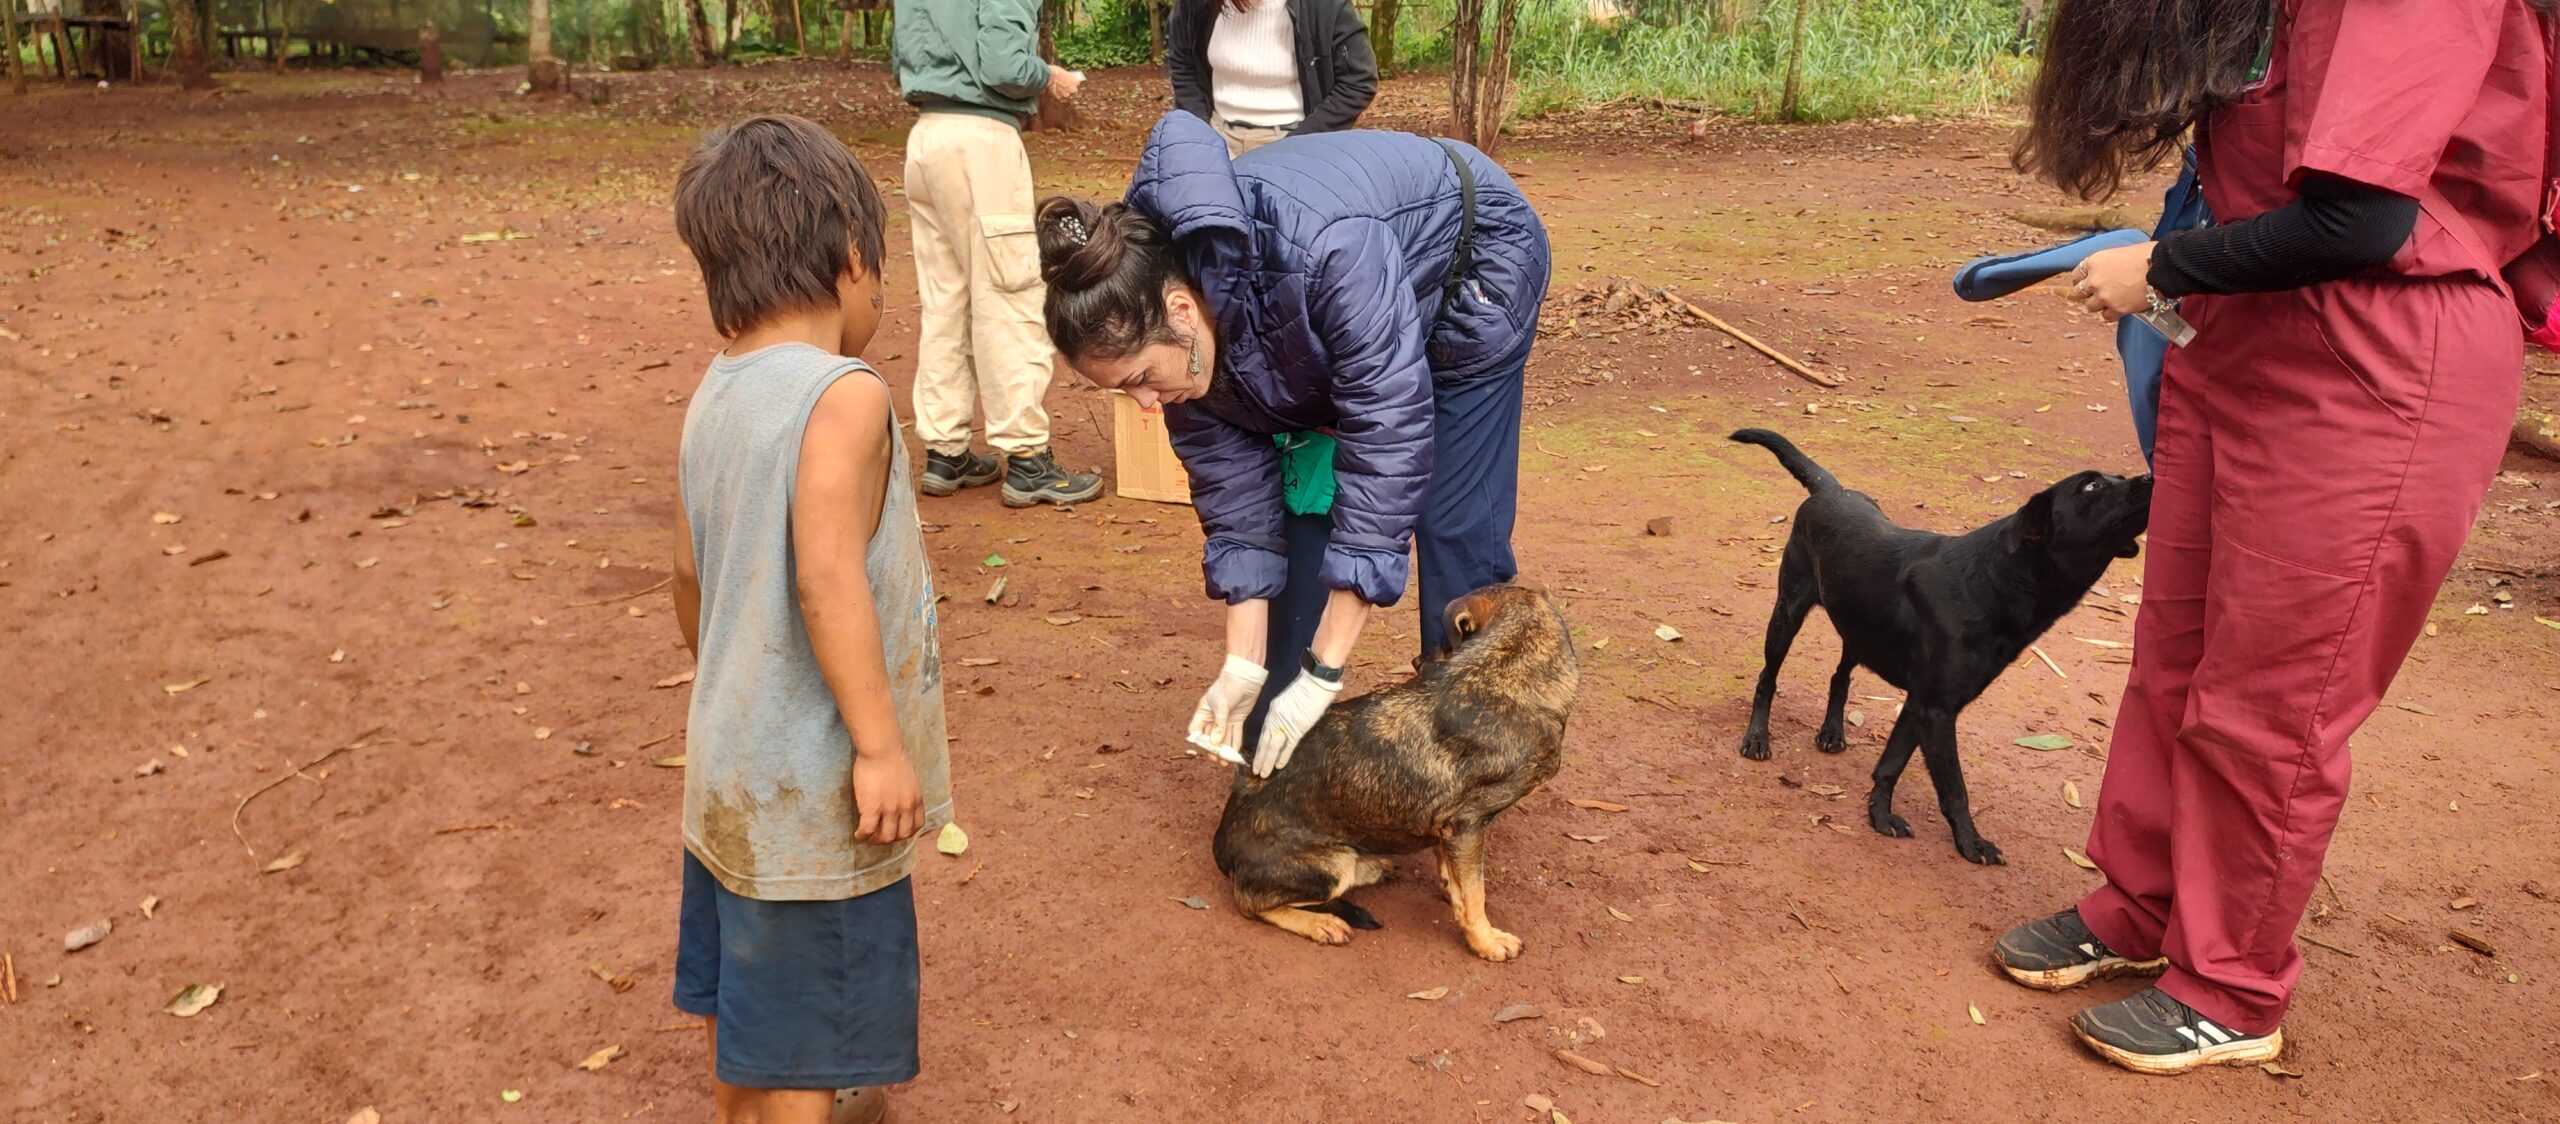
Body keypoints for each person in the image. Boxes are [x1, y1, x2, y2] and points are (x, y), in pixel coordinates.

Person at [1993, 0, 2550, 1076]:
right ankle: (2139, 903)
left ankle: (2230, 984)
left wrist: (2162, 266)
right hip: (2248, 337)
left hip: (2376, 362)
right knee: (2177, 653)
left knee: (2273, 698)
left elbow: (2361, 223)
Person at [1034, 110, 1551, 777]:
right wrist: (1241, 666)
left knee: (1451, 518)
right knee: (1305, 497)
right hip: (1314, 316)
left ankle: (1474, 747)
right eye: (1123, 390)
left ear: (1183, 314)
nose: (1143, 405)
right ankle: (1280, 730)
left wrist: (1325, 672)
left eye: (1139, 380)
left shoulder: (1326, 255)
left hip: (1474, 265)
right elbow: (1239, 505)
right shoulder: (1179, 342)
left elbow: (1386, 441)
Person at [668, 115, 955, 1124]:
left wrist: (735, 681)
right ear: (847, 257)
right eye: (882, 278)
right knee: (809, 1041)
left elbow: (686, 578)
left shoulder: (714, 395)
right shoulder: (845, 396)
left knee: (752, 1016)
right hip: (813, 798)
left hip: (730, 775)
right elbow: (827, 578)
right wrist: (878, 745)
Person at [891, 0, 1100, 506]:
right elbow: (1005, 66)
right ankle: (1027, 460)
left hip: (927, 138)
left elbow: (902, 57)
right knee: (1011, 296)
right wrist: (1047, 74)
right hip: (980, 143)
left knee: (946, 303)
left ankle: (946, 450)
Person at [1166, 0, 1378, 157]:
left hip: (1292, 143)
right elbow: (1183, 62)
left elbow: (1358, 81)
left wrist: (1300, 143)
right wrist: (1201, 133)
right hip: (1217, 138)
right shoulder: (1198, 6)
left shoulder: (1324, 7)